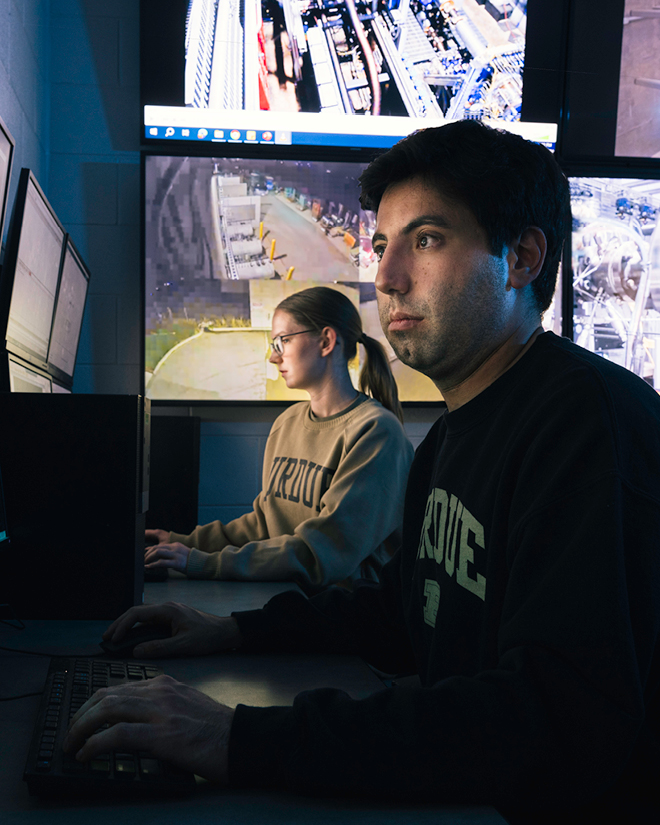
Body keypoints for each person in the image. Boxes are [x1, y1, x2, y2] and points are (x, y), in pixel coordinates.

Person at [64, 120, 660, 823]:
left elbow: (553, 719)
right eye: (383, 244)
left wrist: (237, 734)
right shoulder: (450, 435)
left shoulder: (584, 422)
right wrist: (232, 631)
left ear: (522, 257)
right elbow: (403, 613)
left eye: (427, 240)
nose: (385, 276)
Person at [144, 286, 414, 592]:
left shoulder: (377, 434)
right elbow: (264, 524)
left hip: (345, 621)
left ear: (326, 341)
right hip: (288, 600)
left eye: (282, 341)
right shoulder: (287, 423)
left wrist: (203, 562)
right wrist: (182, 542)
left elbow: (321, 554)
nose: (272, 357)